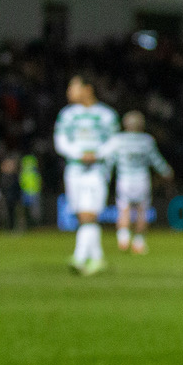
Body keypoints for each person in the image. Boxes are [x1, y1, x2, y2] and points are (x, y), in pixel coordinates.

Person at [54, 72, 119, 275]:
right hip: (74, 169)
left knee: (88, 213)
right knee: (83, 215)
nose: (69, 92)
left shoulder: (106, 115)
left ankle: (80, 257)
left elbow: (114, 141)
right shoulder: (67, 115)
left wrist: (97, 154)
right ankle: (97, 258)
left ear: (87, 89)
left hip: (97, 169)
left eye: (73, 87)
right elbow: (60, 141)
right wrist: (79, 154)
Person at [100, 110, 172, 254]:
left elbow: (110, 161)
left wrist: (104, 177)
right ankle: (139, 242)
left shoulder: (118, 140)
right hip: (141, 180)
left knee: (124, 210)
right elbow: (156, 160)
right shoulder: (146, 140)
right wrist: (166, 171)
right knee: (141, 211)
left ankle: (123, 238)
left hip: (124, 180)